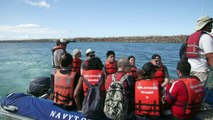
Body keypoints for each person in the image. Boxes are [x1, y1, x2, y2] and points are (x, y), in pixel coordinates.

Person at [185, 16, 213, 85]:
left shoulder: (190, 36)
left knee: (193, 91)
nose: (211, 26)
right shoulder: (206, 37)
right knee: (200, 92)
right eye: (210, 24)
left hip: (190, 69)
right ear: (207, 25)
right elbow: (210, 57)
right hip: (201, 72)